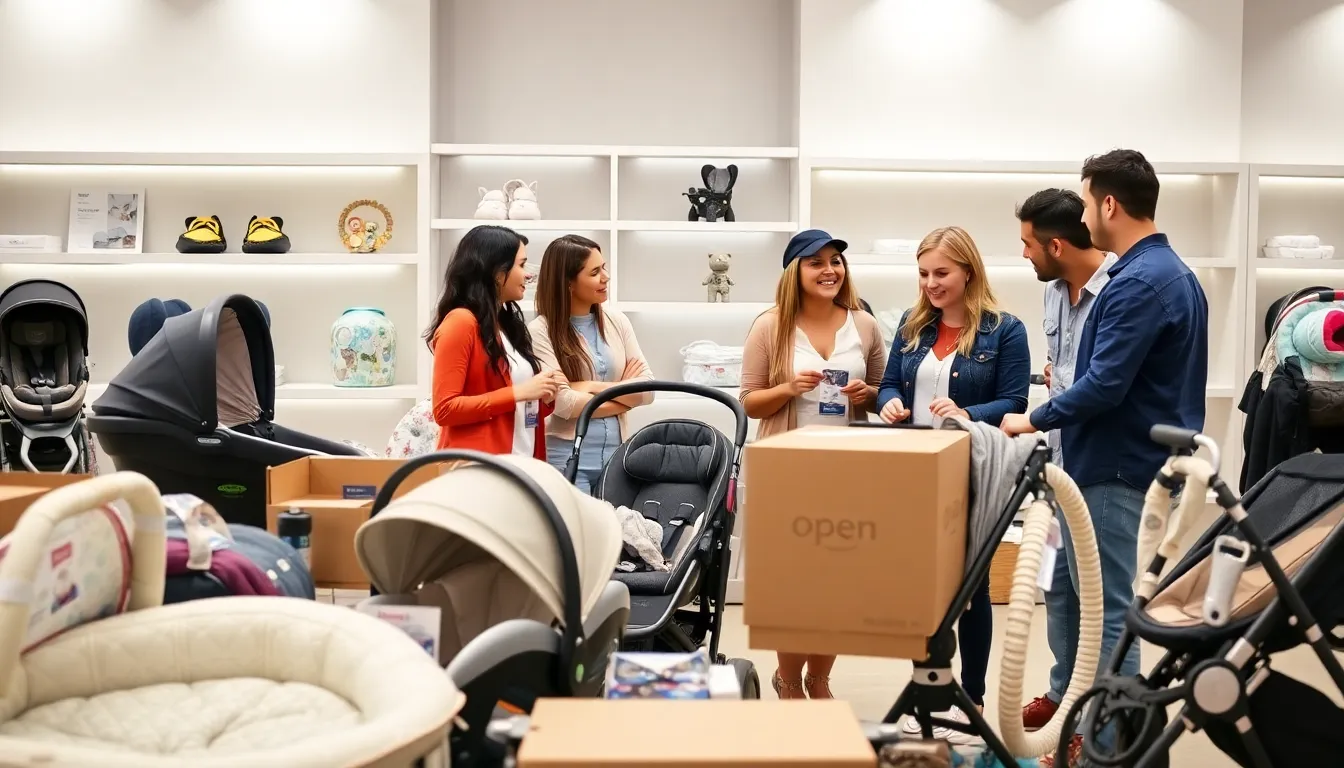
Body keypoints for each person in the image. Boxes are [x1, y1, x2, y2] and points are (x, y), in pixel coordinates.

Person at [1000, 150, 1209, 761]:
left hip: (1120, 473)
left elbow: (1106, 385)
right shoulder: (1163, 273)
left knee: (1114, 617)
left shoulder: (1139, 282)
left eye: (1088, 202)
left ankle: (1106, 750)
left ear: (1109, 205)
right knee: (1072, 595)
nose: (1084, 213)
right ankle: (1079, 725)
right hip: (1104, 468)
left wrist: (1030, 416)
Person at [875, 225, 1031, 743]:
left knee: (973, 585)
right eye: (923, 274)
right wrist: (888, 403)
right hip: (914, 467)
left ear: (968, 271)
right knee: (922, 583)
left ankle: (973, 694)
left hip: (973, 467)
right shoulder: (911, 324)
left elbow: (1015, 402)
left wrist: (967, 412)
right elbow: (891, 383)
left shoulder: (1005, 330)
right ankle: (927, 685)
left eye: (941, 273)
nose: (930, 284)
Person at [739, 228, 887, 701]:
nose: (829, 270)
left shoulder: (863, 325)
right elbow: (749, 402)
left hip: (850, 473)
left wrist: (869, 396)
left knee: (839, 586)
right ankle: (787, 678)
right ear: (793, 272)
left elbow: (887, 395)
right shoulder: (770, 325)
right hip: (788, 473)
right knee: (795, 586)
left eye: (835, 261)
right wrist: (788, 389)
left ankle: (820, 678)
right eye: (815, 262)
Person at [1012, 188, 1118, 746]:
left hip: (1100, 465)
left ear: (1055, 244)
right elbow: (1060, 369)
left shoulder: (1120, 291)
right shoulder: (1054, 291)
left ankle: (1094, 724)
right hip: (1055, 463)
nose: (1024, 254)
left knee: (1098, 597)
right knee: (1057, 587)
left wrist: (1028, 420)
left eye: (1029, 244)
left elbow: (1103, 386)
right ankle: (1062, 693)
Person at [529, 234, 655, 494]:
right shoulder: (540, 331)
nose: (605, 277)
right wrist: (621, 390)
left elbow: (649, 390)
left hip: (618, 460)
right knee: (578, 534)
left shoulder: (617, 321)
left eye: (604, 268)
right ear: (568, 283)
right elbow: (563, 403)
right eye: (595, 272)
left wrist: (586, 386)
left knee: (618, 533)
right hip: (566, 460)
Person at [426, 224, 561, 456]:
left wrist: (543, 396)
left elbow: (514, 412)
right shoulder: (461, 322)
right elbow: (445, 409)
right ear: (498, 273)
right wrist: (520, 392)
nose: (528, 274)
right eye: (521, 264)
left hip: (520, 466)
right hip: (479, 470)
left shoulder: (507, 325)